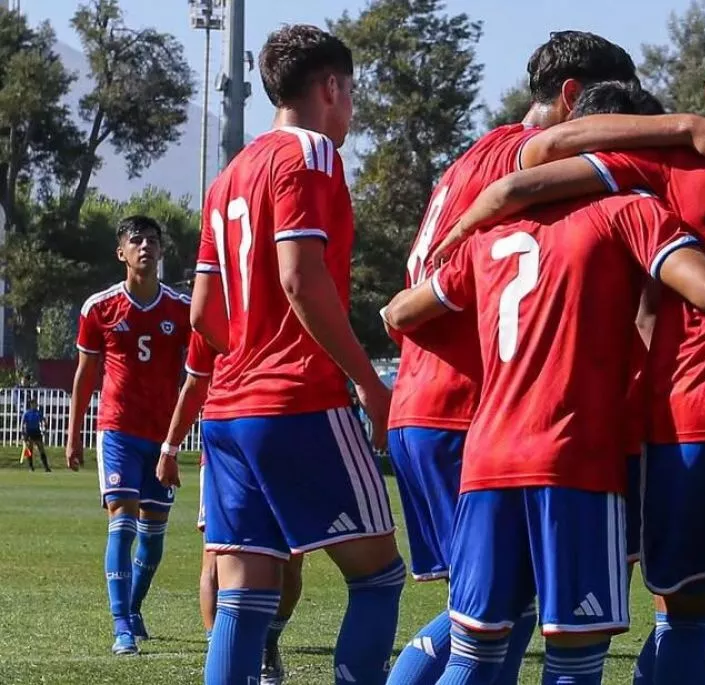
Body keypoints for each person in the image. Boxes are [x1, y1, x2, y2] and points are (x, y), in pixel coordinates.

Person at [382, 86, 705, 682]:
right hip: (579, 459)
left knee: (475, 648)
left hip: (488, 458)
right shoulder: (630, 212)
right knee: (583, 661)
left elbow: (399, 313)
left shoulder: (488, 237)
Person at [191, 25, 402, 685]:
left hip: (226, 409)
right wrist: (367, 381)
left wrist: (249, 356)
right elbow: (299, 276)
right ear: (331, 86)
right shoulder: (311, 154)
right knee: (380, 576)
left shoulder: (229, 176)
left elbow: (202, 313)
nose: (351, 110)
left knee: (244, 600)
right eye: (351, 94)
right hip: (296, 401)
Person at [66, 215, 191, 656]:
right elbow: (85, 374)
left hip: (162, 439)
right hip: (117, 429)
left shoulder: (182, 308)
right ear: (121, 252)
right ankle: (121, 625)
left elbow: (199, 374)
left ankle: (134, 608)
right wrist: (75, 432)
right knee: (121, 522)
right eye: (135, 240)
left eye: (153, 240)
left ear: (161, 251)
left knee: (153, 539)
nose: (145, 246)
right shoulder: (99, 308)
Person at [155, 332, 304, 685]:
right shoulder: (215, 311)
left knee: (291, 559)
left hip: (285, 436)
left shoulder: (287, 303)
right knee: (216, 558)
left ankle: (268, 641)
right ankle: (218, 648)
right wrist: (170, 448)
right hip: (227, 447)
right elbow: (194, 382)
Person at [21, 398, 50, 473]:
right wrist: (23, 433)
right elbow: (23, 424)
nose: (36, 405)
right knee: (30, 450)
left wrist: (45, 427)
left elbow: (43, 421)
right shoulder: (27, 413)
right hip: (29, 432)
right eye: (34, 403)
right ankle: (31, 467)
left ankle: (46, 467)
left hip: (37, 432)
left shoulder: (39, 413)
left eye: (36, 403)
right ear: (31, 404)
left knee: (41, 449)